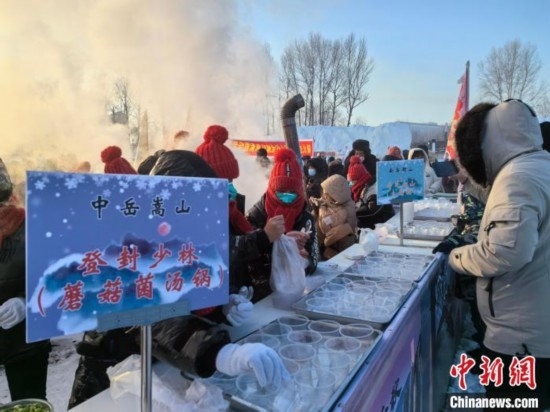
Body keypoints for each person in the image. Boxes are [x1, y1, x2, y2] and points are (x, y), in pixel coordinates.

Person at [68, 149, 289, 409]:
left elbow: (194, 282)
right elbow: (147, 315)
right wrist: (217, 352)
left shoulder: (185, 231)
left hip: (162, 369)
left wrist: (224, 305)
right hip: (109, 380)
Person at [448, 99, 550, 409]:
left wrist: (456, 256)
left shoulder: (516, 179)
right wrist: (469, 183)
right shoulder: (537, 165)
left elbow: (505, 252)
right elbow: (502, 202)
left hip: (520, 336)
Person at [0, 158, 52, 402]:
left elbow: (58, 281)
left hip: (25, 343)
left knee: (29, 403)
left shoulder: (33, 226)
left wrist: (25, 303)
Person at [246, 148, 318, 302]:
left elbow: (313, 260)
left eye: (292, 193)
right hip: (261, 296)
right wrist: (273, 241)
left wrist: (303, 259)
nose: (286, 197)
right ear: (272, 188)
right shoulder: (256, 215)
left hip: (294, 293)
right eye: (281, 192)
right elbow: (246, 259)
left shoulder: (305, 218)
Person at [310, 174, 357, 260]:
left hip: (337, 252)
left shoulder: (346, 209)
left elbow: (327, 227)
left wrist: (320, 209)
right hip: (332, 248)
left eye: (327, 193)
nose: (324, 195)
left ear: (336, 193)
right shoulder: (337, 202)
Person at [347, 155, 395, 229]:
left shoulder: (374, 187)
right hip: (376, 221)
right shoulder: (363, 186)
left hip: (384, 223)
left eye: (353, 181)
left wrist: (352, 213)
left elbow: (372, 209)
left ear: (360, 179)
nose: (352, 184)